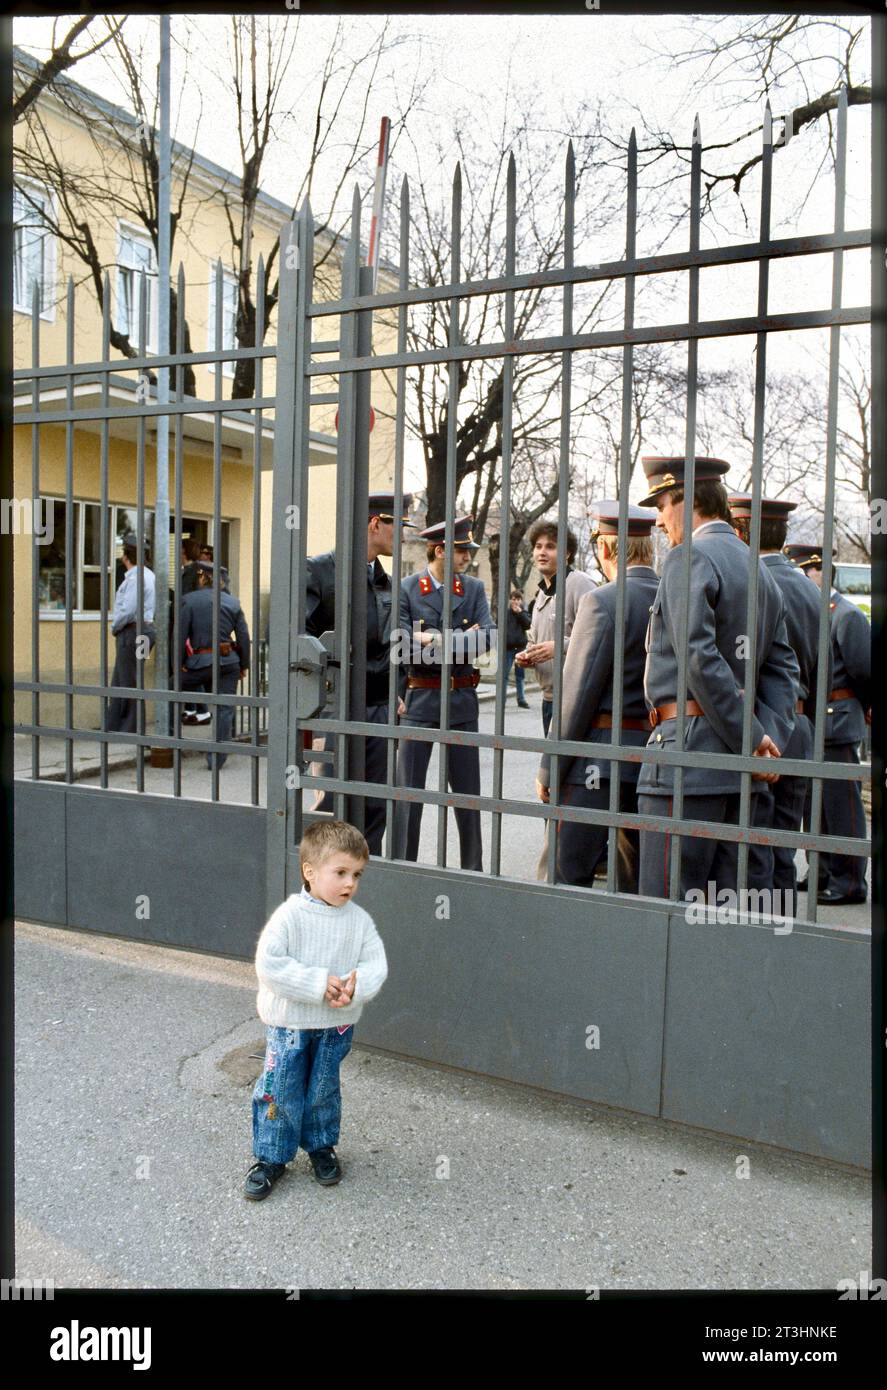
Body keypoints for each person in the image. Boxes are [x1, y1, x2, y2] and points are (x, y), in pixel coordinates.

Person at [635, 456, 799, 901]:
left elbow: (697, 655)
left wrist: (750, 737)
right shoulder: (760, 567)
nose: (659, 519)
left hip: (687, 761)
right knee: (731, 913)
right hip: (745, 773)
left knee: (667, 913)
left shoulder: (688, 555)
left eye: (662, 505)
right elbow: (783, 667)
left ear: (685, 501)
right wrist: (767, 740)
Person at [245, 820, 388, 1199]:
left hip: (336, 1023)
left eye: (356, 874)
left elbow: (375, 965)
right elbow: (269, 964)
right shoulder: (290, 917)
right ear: (310, 872)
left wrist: (356, 988)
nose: (350, 884)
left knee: (324, 1088)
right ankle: (271, 1156)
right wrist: (315, 983)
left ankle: (321, 1145)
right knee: (280, 1089)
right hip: (289, 1023)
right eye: (340, 872)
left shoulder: (358, 922)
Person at [536, 501, 659, 891]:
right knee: (636, 882)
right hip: (652, 759)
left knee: (564, 876)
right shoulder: (673, 599)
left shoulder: (602, 600)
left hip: (598, 760)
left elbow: (577, 693)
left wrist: (549, 765)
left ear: (604, 548)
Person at [305, 491, 415, 854]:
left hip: (379, 709)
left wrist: (394, 690)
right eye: (397, 526)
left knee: (374, 805)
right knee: (332, 806)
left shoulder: (384, 580)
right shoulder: (319, 571)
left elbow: (394, 643)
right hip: (336, 708)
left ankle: (366, 884)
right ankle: (319, 892)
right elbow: (300, 641)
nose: (402, 535)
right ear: (374, 524)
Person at [728, 496, 822, 919]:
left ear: (742, 530)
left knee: (749, 845)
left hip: (757, 723)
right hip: (799, 722)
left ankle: (753, 932)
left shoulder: (745, 580)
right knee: (782, 841)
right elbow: (823, 670)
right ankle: (781, 933)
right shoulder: (810, 587)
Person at [392, 515, 495, 871]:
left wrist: (435, 639)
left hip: (462, 701)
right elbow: (402, 646)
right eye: (463, 551)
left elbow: (489, 638)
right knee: (410, 795)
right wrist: (462, 643)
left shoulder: (473, 589)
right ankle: (404, 867)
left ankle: (473, 871)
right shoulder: (406, 588)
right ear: (440, 551)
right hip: (419, 700)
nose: (467, 558)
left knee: (468, 796)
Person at [787, 542, 870, 905]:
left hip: (837, 721)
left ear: (821, 571)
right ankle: (820, 871)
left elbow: (865, 671)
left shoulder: (845, 614)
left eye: (806, 571)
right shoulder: (814, 612)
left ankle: (850, 880)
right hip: (812, 720)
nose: (803, 578)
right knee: (814, 806)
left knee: (841, 807)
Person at [515, 520, 595, 735]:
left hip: (575, 701)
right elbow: (534, 640)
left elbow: (597, 638)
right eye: (538, 546)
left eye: (550, 546)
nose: (542, 552)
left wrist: (559, 646)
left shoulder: (580, 583)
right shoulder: (540, 594)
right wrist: (527, 656)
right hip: (548, 699)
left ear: (567, 553)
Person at [180, 560, 251, 770]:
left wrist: (179, 664)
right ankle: (216, 760)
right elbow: (244, 637)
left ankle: (167, 744)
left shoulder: (189, 600)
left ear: (202, 577)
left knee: (170, 689)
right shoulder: (233, 602)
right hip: (228, 662)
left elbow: (180, 636)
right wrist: (244, 665)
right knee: (224, 708)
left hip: (198, 663)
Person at [106, 539, 156, 734]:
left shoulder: (136, 578)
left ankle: (131, 728)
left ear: (126, 556)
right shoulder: (149, 575)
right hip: (145, 630)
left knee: (129, 680)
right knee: (125, 678)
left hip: (132, 631)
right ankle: (116, 724)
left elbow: (127, 610)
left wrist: (115, 626)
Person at [503, 589, 531, 707]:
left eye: (518, 599)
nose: (515, 602)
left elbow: (528, 625)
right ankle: (502, 699)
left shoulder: (524, 613)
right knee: (504, 675)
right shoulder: (505, 613)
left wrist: (519, 613)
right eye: (513, 599)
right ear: (510, 600)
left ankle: (521, 699)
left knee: (520, 675)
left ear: (521, 601)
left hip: (520, 648)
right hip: (507, 648)